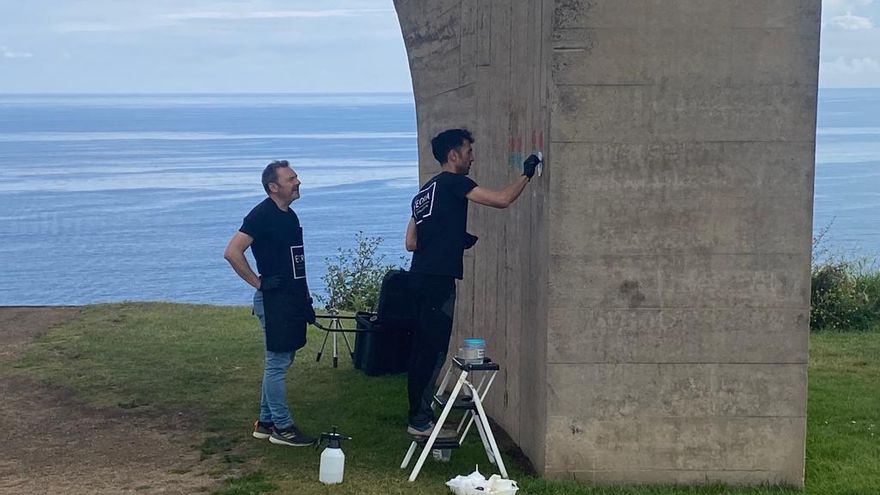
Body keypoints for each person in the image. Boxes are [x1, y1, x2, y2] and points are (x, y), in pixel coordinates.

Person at [404, 129, 541, 437]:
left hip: (419, 276)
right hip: (438, 281)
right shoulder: (455, 182)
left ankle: (419, 415)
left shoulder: (424, 192)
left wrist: (451, 239)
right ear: (453, 155)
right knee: (433, 351)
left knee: (422, 349)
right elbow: (502, 200)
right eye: (468, 152)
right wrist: (527, 174)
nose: (472, 158)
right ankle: (420, 421)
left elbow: (411, 242)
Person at [224, 160, 317, 447]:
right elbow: (232, 252)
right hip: (274, 299)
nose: (298, 182)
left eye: (296, 177)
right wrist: (259, 283)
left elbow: (296, 262)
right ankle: (282, 427)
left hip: (292, 298)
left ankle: (265, 423)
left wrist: (304, 297)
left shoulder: (289, 216)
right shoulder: (261, 215)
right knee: (277, 363)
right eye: (291, 179)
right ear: (273, 187)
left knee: (283, 359)